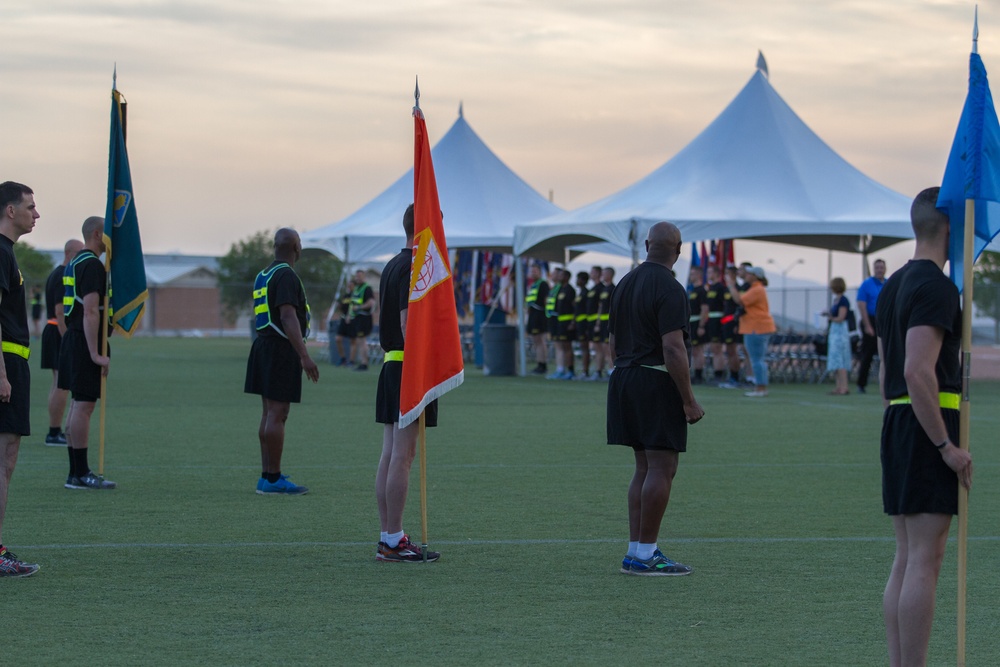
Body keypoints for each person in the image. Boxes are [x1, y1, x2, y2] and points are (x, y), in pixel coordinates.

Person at [877, 187, 972, 667]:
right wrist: (945, 445)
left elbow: (884, 376)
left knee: (908, 556)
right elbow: (918, 370)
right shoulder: (936, 286)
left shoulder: (892, 285)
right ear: (951, 228)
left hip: (899, 420)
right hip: (924, 426)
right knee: (924, 561)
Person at [608, 221, 704, 576]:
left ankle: (637, 549)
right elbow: (672, 347)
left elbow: (613, 343)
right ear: (679, 251)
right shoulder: (671, 287)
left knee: (643, 466)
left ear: (647, 244)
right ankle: (646, 554)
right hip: (655, 379)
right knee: (662, 466)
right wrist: (688, 399)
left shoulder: (624, 283)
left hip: (623, 376)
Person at [375, 204, 440, 563]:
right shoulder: (416, 264)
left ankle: (389, 535)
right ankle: (394, 539)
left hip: (391, 367)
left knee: (390, 453)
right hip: (407, 369)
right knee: (403, 455)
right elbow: (407, 325)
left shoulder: (392, 264)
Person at [244, 228, 319, 495]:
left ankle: (267, 476)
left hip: (263, 346)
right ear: (297, 248)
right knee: (278, 414)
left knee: (268, 413)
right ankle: (273, 479)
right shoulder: (286, 275)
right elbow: (288, 317)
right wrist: (304, 356)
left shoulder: (262, 275)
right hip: (279, 350)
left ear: (274, 247)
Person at [58, 216, 116, 490]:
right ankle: (81, 473)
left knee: (76, 405)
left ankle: (75, 472)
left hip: (72, 339)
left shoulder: (74, 263)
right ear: (96, 234)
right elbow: (91, 311)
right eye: (108, 234)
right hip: (83, 342)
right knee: (83, 406)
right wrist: (96, 353)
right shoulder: (92, 264)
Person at [0, 182, 40, 577]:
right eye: (30, 206)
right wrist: (2, 374)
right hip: (7, 365)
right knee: (3, 459)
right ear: (10, 211)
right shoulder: (0, 251)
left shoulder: (7, 252)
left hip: (14, 365)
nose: (36, 213)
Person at [41, 239, 83, 446]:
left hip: (54, 331)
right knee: (61, 384)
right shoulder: (61, 276)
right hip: (57, 332)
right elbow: (60, 312)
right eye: (80, 253)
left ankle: (54, 431)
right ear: (70, 253)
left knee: (59, 383)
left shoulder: (58, 273)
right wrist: (69, 340)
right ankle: (54, 431)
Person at [726, 265, 775, 397]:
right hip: (756, 326)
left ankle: (760, 388)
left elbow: (739, 300)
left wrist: (731, 285)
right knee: (758, 359)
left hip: (756, 327)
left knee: (757, 359)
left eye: (749, 274)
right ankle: (761, 387)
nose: (746, 275)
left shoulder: (757, 289)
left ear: (755, 276)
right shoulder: (756, 288)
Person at [856, 259, 887, 394]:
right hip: (871, 320)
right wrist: (868, 325)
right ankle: (861, 384)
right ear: (874, 269)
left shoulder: (887, 283)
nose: (880, 270)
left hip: (884, 320)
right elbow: (861, 304)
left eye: (882, 267)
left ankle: (887, 383)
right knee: (867, 354)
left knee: (886, 354)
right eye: (877, 267)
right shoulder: (867, 284)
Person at [822, 277, 852, 395]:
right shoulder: (836, 300)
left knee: (841, 360)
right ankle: (838, 386)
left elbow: (841, 317)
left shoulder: (843, 300)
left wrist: (831, 318)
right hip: (834, 331)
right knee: (835, 359)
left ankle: (844, 386)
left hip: (840, 332)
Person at [717, 265, 743, 388]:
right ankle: (732, 376)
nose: (725, 275)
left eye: (727, 273)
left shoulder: (737, 288)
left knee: (733, 351)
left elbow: (739, 303)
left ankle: (735, 378)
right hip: (725, 323)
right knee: (728, 351)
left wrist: (737, 324)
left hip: (733, 323)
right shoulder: (726, 289)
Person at [547, 269, 575, 380]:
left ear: (567, 277)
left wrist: (572, 322)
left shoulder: (570, 290)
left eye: (561, 275)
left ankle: (570, 370)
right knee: (559, 346)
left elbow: (574, 307)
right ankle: (560, 369)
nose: (559, 277)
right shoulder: (559, 289)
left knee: (567, 346)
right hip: (558, 322)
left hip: (566, 322)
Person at [524, 263, 550, 375]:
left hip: (540, 316)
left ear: (540, 272)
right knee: (536, 341)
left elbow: (545, 301)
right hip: (533, 316)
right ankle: (539, 363)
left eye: (535, 271)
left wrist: (546, 316)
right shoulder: (533, 285)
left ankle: (542, 364)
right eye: (531, 271)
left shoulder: (543, 284)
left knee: (540, 341)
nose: (533, 273)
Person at [703, 265, 727, 383]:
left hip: (718, 321)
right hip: (711, 320)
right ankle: (716, 373)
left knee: (717, 348)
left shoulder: (720, 288)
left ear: (717, 274)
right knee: (713, 348)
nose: (707, 275)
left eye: (710, 272)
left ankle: (719, 375)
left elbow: (725, 305)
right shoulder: (710, 288)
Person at [348, 269, 375, 371]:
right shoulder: (356, 288)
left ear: (364, 277)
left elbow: (371, 302)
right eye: (356, 276)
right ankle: (362, 362)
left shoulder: (367, 288)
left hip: (364, 317)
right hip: (357, 318)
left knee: (362, 340)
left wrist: (359, 308)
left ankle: (364, 363)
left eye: (359, 276)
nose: (357, 278)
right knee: (359, 341)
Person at [592, 267, 615, 379]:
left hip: (608, 322)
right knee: (600, 347)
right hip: (601, 322)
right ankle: (600, 370)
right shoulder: (604, 290)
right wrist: (597, 322)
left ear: (610, 275)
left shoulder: (613, 289)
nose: (603, 276)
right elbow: (600, 306)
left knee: (608, 348)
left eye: (605, 274)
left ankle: (611, 370)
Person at [686, 267, 708, 384]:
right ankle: (695, 372)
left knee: (698, 350)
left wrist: (701, 326)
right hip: (691, 322)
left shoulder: (701, 290)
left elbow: (704, 309)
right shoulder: (692, 290)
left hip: (697, 322)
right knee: (693, 350)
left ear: (699, 275)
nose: (691, 276)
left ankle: (699, 374)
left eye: (693, 274)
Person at [332, 276, 355, 366]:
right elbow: (342, 307)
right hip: (343, 319)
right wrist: (338, 305)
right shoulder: (345, 295)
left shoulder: (355, 295)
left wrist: (350, 315)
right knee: (338, 339)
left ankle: (351, 361)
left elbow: (355, 307)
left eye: (351, 285)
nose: (349, 286)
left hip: (352, 320)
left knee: (352, 341)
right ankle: (343, 358)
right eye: (348, 284)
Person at [573, 271, 592, 379]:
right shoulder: (580, 293)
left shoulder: (586, 293)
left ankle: (585, 371)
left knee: (585, 348)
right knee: (582, 347)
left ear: (583, 280)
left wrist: (586, 326)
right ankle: (584, 370)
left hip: (584, 325)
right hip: (579, 324)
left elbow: (587, 310)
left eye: (578, 278)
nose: (577, 281)